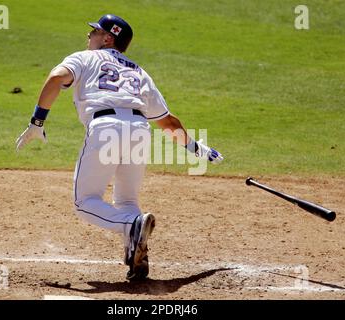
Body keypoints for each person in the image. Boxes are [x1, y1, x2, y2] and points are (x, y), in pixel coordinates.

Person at [15, 14, 223, 281]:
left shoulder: (84, 58)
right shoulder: (138, 71)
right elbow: (167, 121)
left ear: (108, 38)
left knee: (84, 202)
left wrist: (37, 121)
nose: (88, 36)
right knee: (127, 201)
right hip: (139, 130)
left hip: (106, 127)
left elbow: (56, 78)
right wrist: (198, 149)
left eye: (94, 32)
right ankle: (137, 258)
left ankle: (132, 225)